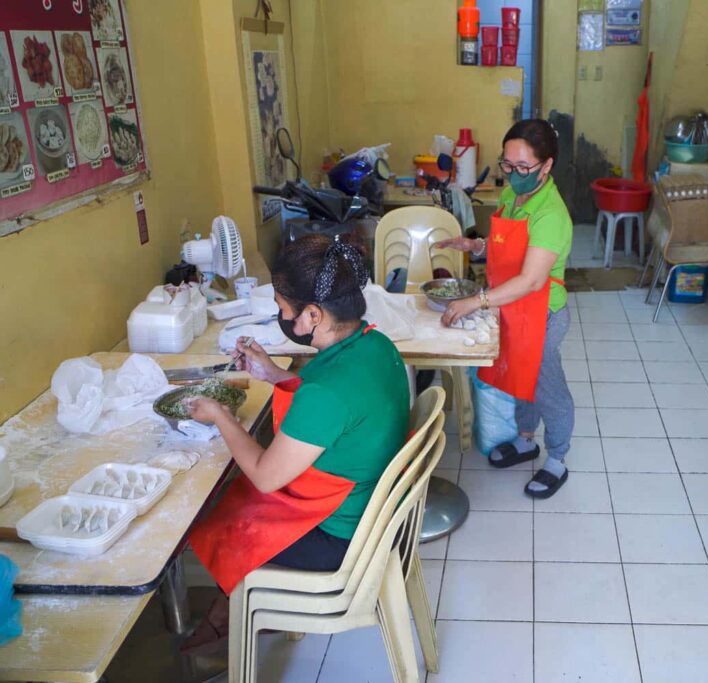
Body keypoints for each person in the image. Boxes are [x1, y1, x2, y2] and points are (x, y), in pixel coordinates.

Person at [182, 235, 410, 652]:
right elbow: (340, 410)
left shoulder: (327, 394)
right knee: (236, 502)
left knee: (224, 517)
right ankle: (230, 610)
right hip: (366, 510)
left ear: (312, 314)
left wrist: (221, 417)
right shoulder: (374, 344)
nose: (280, 317)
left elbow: (267, 476)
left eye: (283, 310)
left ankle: (231, 615)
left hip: (341, 539)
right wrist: (272, 373)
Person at [436, 119, 574, 499]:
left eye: (523, 167)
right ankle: (526, 439)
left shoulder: (551, 214)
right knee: (521, 379)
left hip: (542, 313)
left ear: (546, 166)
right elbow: (506, 247)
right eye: (507, 165)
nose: (512, 174)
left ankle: (558, 458)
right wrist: (475, 246)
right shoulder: (515, 195)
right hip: (512, 308)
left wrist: (474, 301)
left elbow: (531, 279)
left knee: (548, 388)